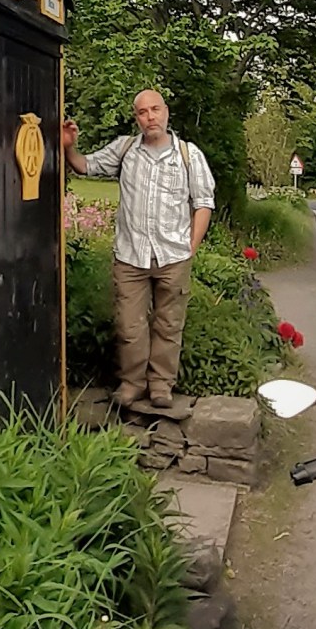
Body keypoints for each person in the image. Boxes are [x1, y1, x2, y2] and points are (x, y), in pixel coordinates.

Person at [63, 90, 215, 410]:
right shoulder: (125, 149)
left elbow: (203, 203)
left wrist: (191, 247)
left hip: (173, 256)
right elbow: (84, 166)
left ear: (166, 112)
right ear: (137, 118)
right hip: (130, 257)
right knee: (129, 326)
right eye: (143, 112)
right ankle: (132, 383)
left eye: (155, 110)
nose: (150, 117)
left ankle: (161, 386)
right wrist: (69, 146)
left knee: (169, 324)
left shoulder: (188, 155)